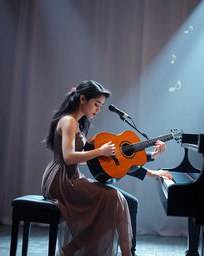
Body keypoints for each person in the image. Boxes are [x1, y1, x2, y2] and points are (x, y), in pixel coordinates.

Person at [41, 80, 172, 256]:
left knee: (117, 203)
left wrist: (150, 156)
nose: (98, 109)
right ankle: (126, 253)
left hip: (70, 177)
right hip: (63, 181)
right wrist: (100, 151)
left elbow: (83, 159)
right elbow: (69, 157)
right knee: (114, 198)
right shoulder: (69, 121)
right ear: (82, 99)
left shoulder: (76, 122)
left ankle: (74, 249)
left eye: (101, 105)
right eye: (96, 104)